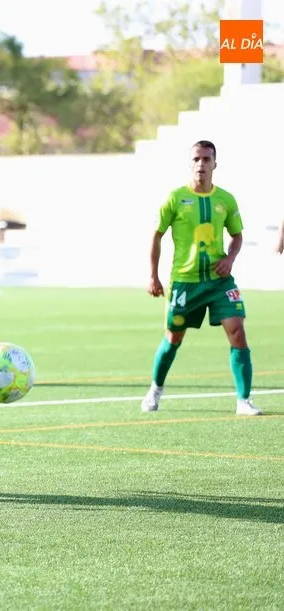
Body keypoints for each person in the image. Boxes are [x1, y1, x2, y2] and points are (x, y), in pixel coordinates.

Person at [143, 140, 261, 416]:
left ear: (215, 164)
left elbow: (237, 235)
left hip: (219, 282)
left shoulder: (226, 200)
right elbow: (156, 235)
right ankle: (155, 389)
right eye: (196, 159)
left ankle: (244, 400)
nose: (201, 164)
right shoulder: (175, 199)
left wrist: (230, 259)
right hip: (185, 282)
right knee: (173, 339)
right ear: (190, 163)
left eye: (206, 159)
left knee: (238, 332)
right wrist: (153, 275)